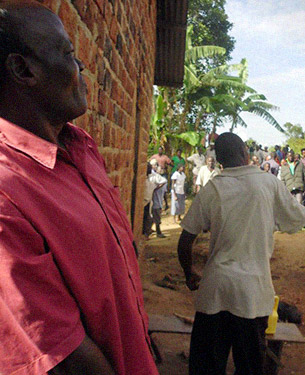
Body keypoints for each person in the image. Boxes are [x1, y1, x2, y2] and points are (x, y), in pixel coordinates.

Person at [0, 2, 158, 374]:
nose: (81, 67)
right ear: (24, 70)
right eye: (69, 53)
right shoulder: (7, 190)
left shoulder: (81, 148)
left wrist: (140, 338)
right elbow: (63, 355)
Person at [176, 132, 305, 375]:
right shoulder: (268, 183)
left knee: (206, 368)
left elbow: (185, 241)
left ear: (220, 159)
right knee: (249, 367)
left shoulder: (213, 188)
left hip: (214, 292)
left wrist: (189, 273)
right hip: (252, 294)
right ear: (246, 152)